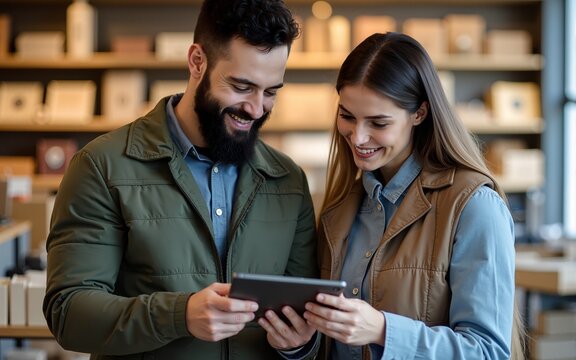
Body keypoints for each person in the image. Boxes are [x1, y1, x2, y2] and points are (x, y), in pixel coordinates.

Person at [42, 0, 320, 359]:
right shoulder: (101, 166)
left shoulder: (288, 180)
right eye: (240, 86)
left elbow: (303, 317)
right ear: (197, 62)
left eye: (270, 92)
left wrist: (300, 344)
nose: (255, 109)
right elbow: (68, 313)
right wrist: (180, 315)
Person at [303, 32, 525, 359]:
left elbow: (488, 351)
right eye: (347, 116)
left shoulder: (474, 206)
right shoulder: (340, 205)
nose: (358, 137)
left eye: (378, 122)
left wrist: (382, 330)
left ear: (419, 114)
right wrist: (299, 343)